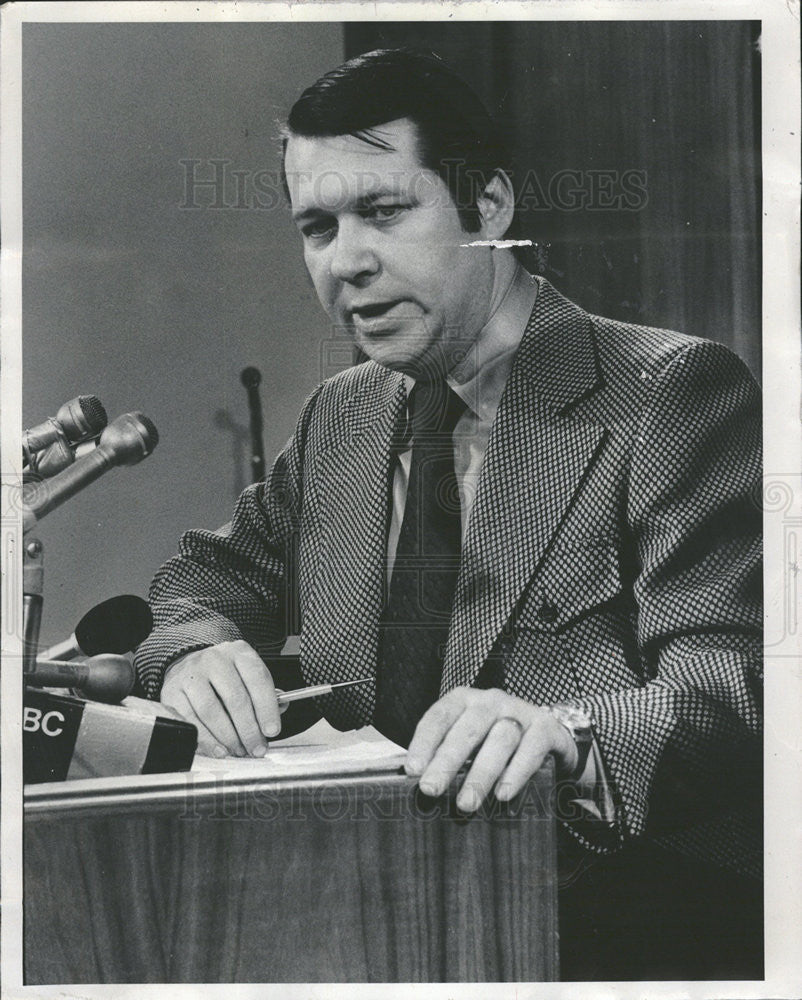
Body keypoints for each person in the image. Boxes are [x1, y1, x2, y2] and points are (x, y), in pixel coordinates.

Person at [134, 48, 762, 980]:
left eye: (385, 211)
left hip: (593, 937)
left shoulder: (667, 392)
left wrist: (569, 735)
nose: (346, 262)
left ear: (490, 208)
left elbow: (735, 688)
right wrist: (191, 646)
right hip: (353, 924)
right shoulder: (341, 413)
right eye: (317, 227)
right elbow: (203, 578)